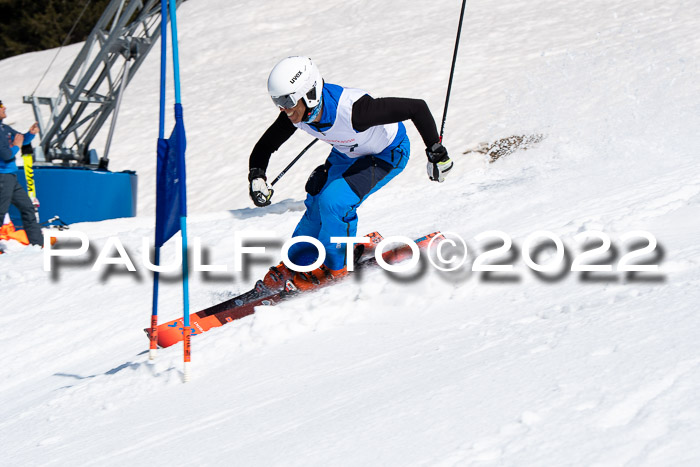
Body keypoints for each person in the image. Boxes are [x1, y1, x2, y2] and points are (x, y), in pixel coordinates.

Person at [248, 56, 453, 291]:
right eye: (277, 102)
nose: (283, 109)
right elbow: (266, 145)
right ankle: (299, 261)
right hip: (349, 153)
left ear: (310, 93)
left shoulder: (356, 111)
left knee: (334, 202)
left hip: (387, 153)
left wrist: (436, 152)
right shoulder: (295, 113)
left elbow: (416, 107)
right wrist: (257, 176)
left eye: (287, 100)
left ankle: (336, 265)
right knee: (316, 200)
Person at [0, 99, 43, 246]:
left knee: (27, 208)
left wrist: (30, 134)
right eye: (0, 106)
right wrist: (17, 147)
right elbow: (6, 155)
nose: (4, 107)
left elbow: (21, 139)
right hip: (2, 176)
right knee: (1, 212)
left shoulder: (4, 129)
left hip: (10, 176)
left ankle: (38, 245)